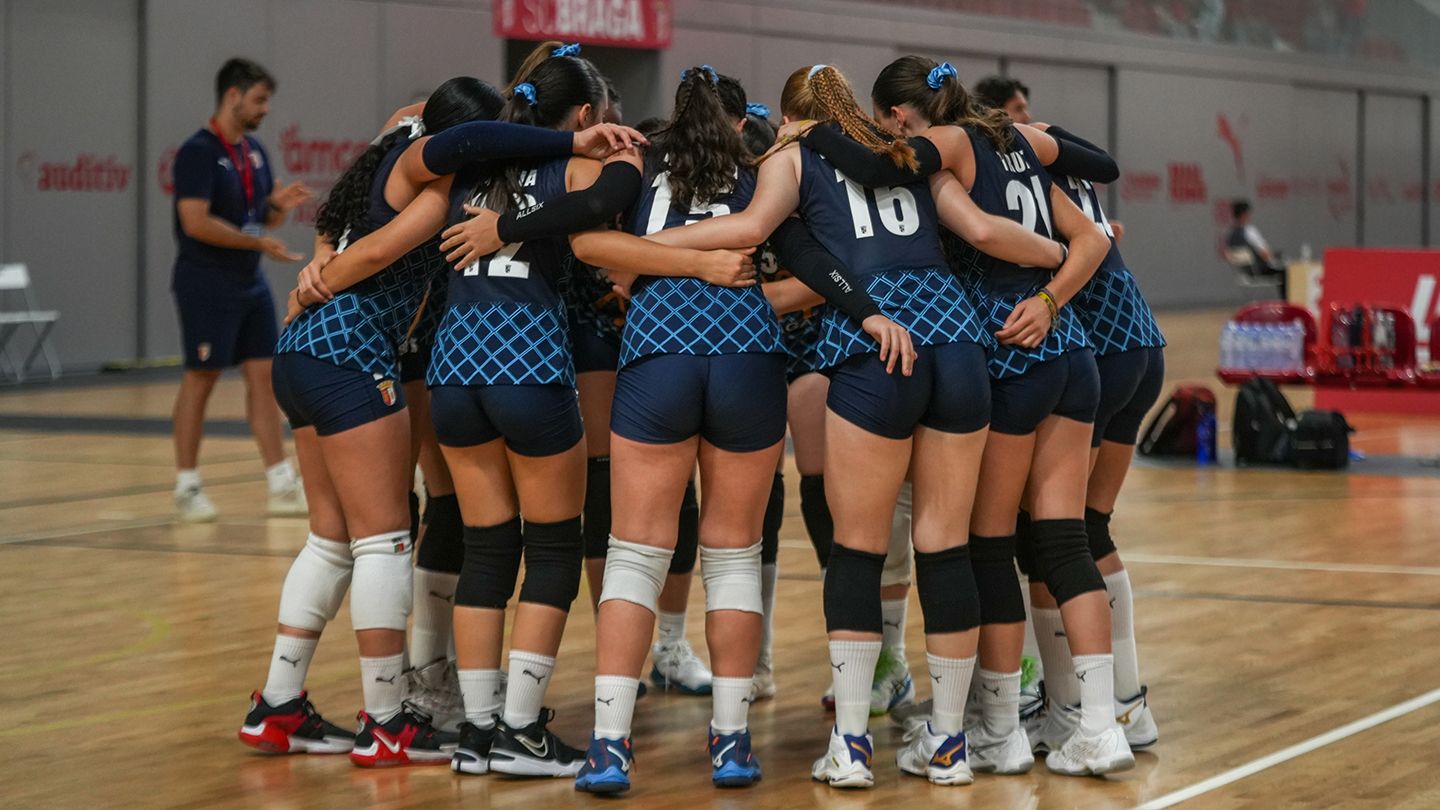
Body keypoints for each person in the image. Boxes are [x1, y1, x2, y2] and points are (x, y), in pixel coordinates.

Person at [641, 61, 1078, 789]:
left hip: (877, 347)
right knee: (946, 546)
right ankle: (949, 743)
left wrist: (643, 251)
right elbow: (980, 228)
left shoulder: (792, 154)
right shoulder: (906, 153)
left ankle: (850, 747)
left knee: (858, 551)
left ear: (791, 117)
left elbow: (750, 228)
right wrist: (1059, 259)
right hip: (958, 342)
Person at [1027, 119, 1165, 753]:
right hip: (1138, 338)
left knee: (1050, 534)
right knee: (1089, 526)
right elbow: (1105, 166)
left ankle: (1067, 706)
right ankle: (1129, 705)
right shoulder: (1054, 155)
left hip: (1100, 346)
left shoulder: (998, 160)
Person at [170, 57, 310, 522]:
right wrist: (256, 240)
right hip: (206, 282)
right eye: (259, 99)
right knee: (202, 376)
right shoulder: (197, 151)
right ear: (233, 95)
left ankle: (280, 482)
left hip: (249, 283)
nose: (265, 109)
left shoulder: (255, 152)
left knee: (264, 376)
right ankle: (187, 486)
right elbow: (195, 222)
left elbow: (261, 218)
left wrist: (277, 207)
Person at [1226, 199, 1286, 294]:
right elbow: (1265, 255)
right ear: (1244, 214)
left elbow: (1230, 255)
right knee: (1287, 273)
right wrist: (1275, 257)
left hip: (1245, 273)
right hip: (1258, 271)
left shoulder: (1230, 234)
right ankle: (1286, 302)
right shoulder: (1249, 231)